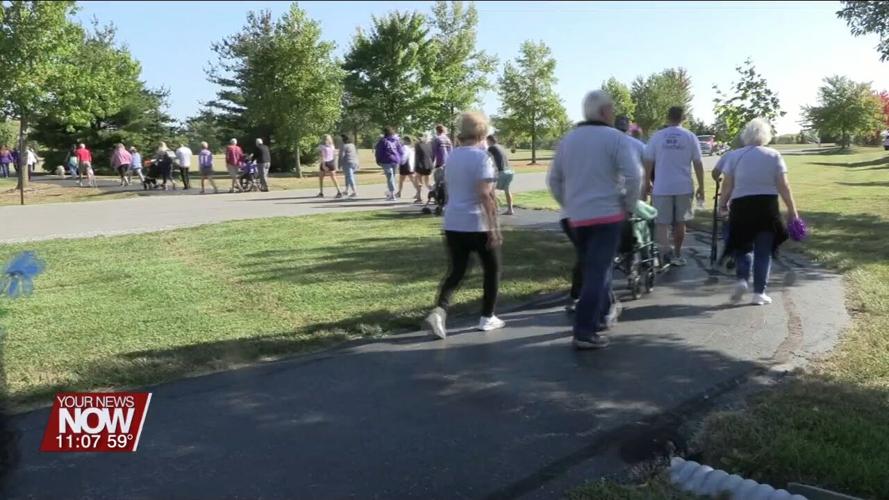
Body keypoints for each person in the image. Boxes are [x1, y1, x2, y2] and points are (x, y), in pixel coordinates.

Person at [547, 90, 642, 350]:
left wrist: (568, 202)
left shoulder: (568, 140)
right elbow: (635, 176)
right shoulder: (615, 139)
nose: (613, 114)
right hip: (607, 215)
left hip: (578, 218)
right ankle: (584, 330)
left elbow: (553, 180)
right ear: (604, 112)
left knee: (598, 268)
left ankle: (600, 318)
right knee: (598, 273)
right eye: (611, 109)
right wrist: (629, 206)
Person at [425, 111, 504, 339]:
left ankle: (440, 311)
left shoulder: (453, 157)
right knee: (492, 269)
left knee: (457, 270)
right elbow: (485, 195)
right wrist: (494, 228)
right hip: (477, 223)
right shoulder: (483, 158)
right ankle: (488, 317)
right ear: (482, 132)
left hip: (453, 222)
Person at [719, 118, 800, 306]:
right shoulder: (774, 155)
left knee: (742, 245)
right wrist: (792, 210)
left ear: (745, 136)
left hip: (741, 206)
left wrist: (722, 204)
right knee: (764, 251)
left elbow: (727, 184)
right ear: (766, 135)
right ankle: (759, 293)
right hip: (767, 206)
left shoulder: (734, 156)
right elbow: (784, 185)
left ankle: (741, 280)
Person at [643, 106, 705, 267]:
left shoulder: (657, 137)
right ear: (683, 118)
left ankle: (665, 253)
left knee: (662, 223)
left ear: (667, 117)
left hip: (662, 186)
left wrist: (646, 182)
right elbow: (698, 163)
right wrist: (701, 186)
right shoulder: (690, 137)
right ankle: (677, 253)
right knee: (680, 222)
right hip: (683, 186)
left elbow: (648, 161)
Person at [486, 135, 515, 215]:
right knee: (507, 190)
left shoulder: (491, 148)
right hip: (509, 171)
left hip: (501, 172)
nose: (486, 143)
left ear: (489, 141)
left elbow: (485, 158)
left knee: (490, 189)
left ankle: (496, 208)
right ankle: (510, 209)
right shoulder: (501, 147)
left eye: (487, 141)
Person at [375, 127, 405, 201]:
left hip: (386, 161)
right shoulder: (396, 141)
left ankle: (392, 194)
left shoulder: (383, 141)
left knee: (390, 177)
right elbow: (401, 151)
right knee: (392, 177)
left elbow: (379, 151)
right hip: (395, 160)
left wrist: (378, 160)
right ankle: (390, 192)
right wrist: (400, 159)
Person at [317, 134, 343, 199]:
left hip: (325, 162)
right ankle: (339, 191)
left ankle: (321, 192)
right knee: (334, 178)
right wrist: (334, 165)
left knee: (321, 178)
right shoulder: (332, 146)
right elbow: (334, 155)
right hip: (331, 162)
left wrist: (323, 165)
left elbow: (322, 156)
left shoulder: (321, 146)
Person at [396, 136, 421, 202]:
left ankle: (399, 192)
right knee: (412, 180)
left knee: (401, 180)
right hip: (410, 165)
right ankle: (418, 192)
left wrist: (400, 163)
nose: (401, 141)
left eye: (403, 140)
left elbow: (404, 156)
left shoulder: (404, 147)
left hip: (405, 165)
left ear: (405, 141)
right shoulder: (411, 148)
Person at [414, 133, 435, 199]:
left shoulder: (417, 145)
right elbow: (432, 156)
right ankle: (434, 193)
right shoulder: (430, 145)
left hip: (420, 165)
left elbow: (417, 156)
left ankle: (419, 196)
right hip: (429, 165)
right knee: (427, 183)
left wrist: (415, 166)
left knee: (419, 182)